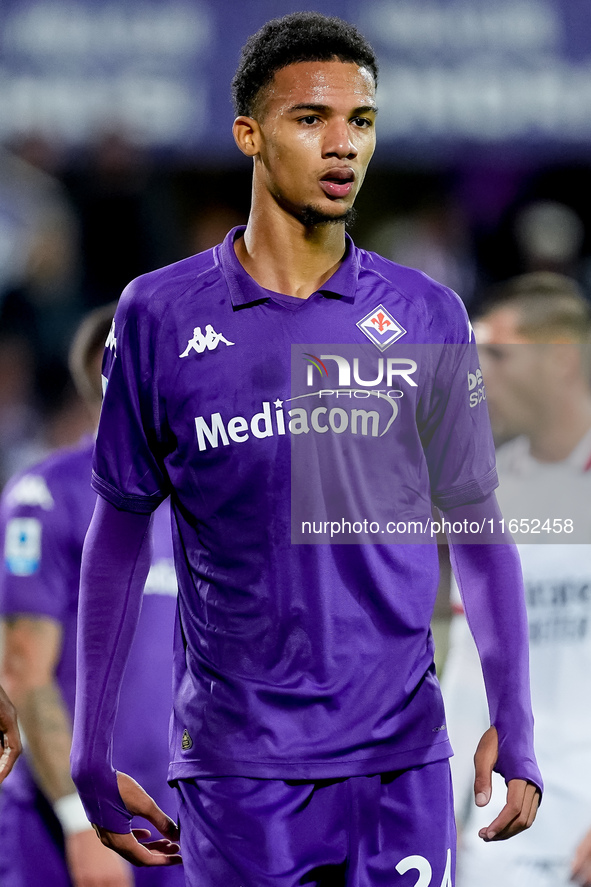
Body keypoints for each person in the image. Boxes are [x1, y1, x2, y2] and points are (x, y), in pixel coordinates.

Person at [71, 13, 542, 886]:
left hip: (400, 765)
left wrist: (513, 721)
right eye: (310, 119)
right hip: (237, 771)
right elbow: (118, 539)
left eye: (359, 121)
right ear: (249, 133)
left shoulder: (425, 312)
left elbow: (478, 528)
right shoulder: (158, 315)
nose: (342, 145)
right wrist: (88, 750)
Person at [0, 303, 183, 887]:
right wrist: (82, 823)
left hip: (190, 825)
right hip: (64, 834)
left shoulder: (214, 504)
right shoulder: (50, 495)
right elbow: (23, 668)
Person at [441, 272, 591, 887]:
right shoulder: (485, 494)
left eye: (498, 357)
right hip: (498, 843)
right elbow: (465, 681)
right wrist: (435, 826)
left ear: (559, 360)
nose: (481, 378)